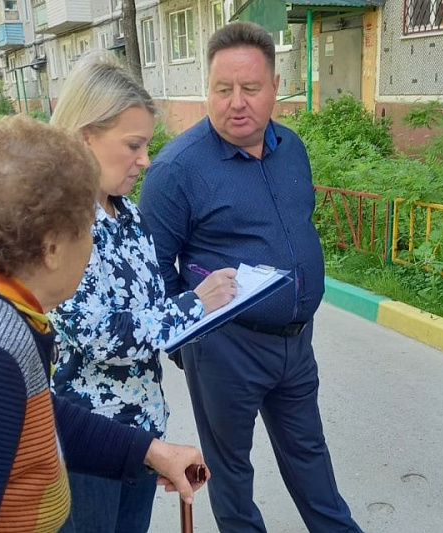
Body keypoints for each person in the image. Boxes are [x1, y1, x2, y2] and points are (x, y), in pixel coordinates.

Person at [0, 115, 208, 533]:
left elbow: (25, 411)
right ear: (50, 247)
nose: (93, 246)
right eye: (87, 231)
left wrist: (147, 450)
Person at [138, 21, 364, 533]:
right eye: (223, 89)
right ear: (208, 90)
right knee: (232, 471)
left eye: (250, 88)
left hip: (295, 343)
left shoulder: (292, 148)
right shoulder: (176, 170)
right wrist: (192, 340)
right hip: (225, 349)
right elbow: (154, 272)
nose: (236, 102)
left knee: (310, 455)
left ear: (275, 87)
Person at [47, 54, 236, 533]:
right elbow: (98, 334)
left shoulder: (128, 216)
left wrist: (209, 312)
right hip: (88, 444)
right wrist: (194, 305)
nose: (145, 160)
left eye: (147, 145)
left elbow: (151, 313)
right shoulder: (57, 220)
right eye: (133, 145)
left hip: (142, 432)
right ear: (85, 136)